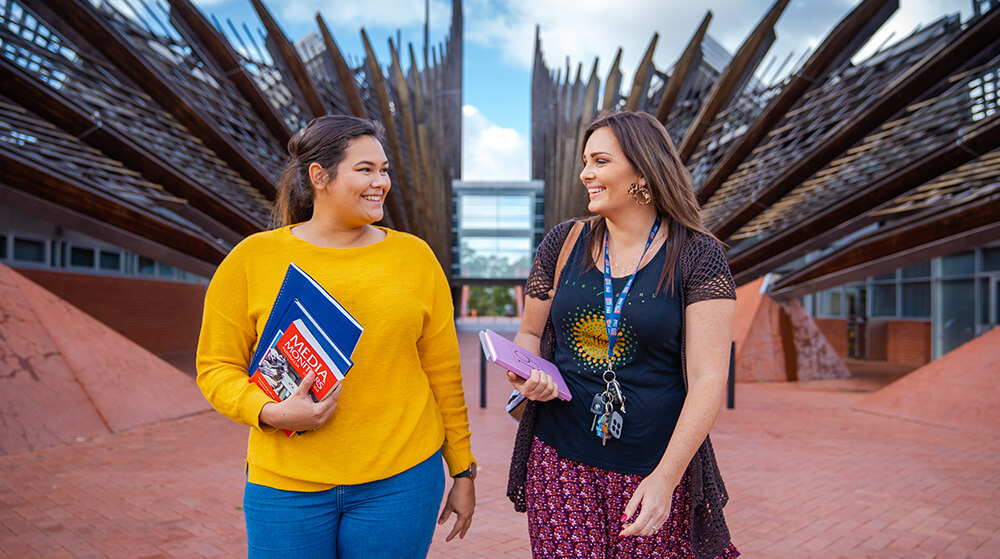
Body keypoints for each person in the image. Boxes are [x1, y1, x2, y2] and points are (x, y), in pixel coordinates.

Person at [196, 115, 476, 559]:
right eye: (365, 169)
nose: (380, 182)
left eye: (384, 170)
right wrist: (268, 412)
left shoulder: (414, 258)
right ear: (319, 176)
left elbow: (443, 374)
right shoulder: (252, 259)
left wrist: (463, 470)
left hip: (401, 481)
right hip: (285, 485)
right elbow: (215, 368)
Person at [505, 111, 739, 558]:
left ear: (642, 170)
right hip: (559, 461)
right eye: (584, 161)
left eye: (600, 161)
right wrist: (524, 371)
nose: (585, 173)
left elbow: (710, 378)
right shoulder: (564, 242)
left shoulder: (698, 255)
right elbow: (529, 332)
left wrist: (667, 479)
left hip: (652, 467)